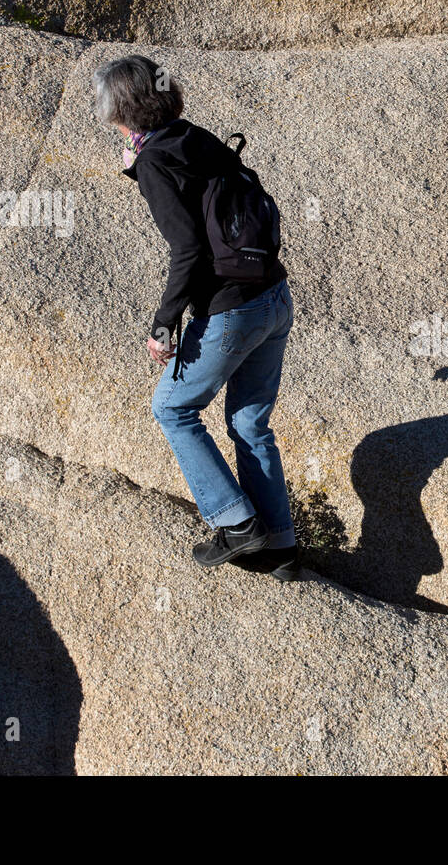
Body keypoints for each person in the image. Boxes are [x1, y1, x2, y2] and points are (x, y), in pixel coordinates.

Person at [92, 55, 299, 579]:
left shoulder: (155, 161)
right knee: (249, 423)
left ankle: (236, 523)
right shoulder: (190, 135)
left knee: (172, 409)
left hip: (233, 312)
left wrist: (163, 324)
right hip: (273, 297)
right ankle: (279, 546)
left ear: (120, 111)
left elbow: (186, 248)